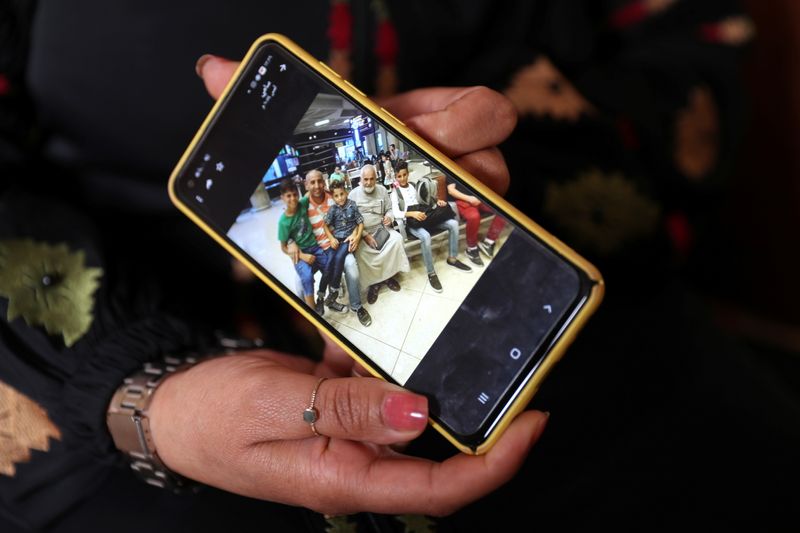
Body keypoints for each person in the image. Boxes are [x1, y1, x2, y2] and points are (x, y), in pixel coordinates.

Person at [1, 2, 797, 532]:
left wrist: (496, 173)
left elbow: (692, 47)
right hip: (139, 389)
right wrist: (141, 395)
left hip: (563, 317)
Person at [300, 169, 372, 326]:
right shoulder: (303, 205)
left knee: (351, 266)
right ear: (306, 185)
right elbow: (292, 229)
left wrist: (358, 235)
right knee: (299, 281)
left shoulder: (332, 198)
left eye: (320, 181)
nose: (317, 186)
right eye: (312, 182)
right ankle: (315, 310)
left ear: (324, 183)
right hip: (317, 249)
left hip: (340, 243)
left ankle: (356, 306)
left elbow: (354, 220)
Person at [391, 161, 472, 292]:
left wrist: (436, 202)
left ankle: (452, 258)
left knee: (453, 224)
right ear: (395, 177)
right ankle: (431, 273)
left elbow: (426, 201)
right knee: (426, 236)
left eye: (404, 175)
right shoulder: (395, 193)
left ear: (408, 174)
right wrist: (413, 213)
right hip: (413, 223)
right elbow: (396, 213)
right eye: (399, 176)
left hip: (427, 218)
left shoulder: (414, 186)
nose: (402, 178)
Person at [348, 164, 410, 304]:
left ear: (376, 178)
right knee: (360, 252)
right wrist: (364, 235)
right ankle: (374, 284)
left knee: (397, 240)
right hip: (362, 233)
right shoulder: (353, 195)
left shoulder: (382, 190)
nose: (368, 183)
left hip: (382, 229)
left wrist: (389, 217)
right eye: (365, 179)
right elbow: (351, 221)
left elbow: (389, 209)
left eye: (372, 179)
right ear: (361, 179)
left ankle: (388, 277)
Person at [276, 179, 333, 315]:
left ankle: (327, 298)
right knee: (306, 277)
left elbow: (314, 190)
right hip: (300, 254)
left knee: (330, 266)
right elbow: (283, 247)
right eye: (288, 196)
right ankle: (312, 313)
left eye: (295, 194)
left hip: (315, 247)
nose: (293, 198)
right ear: (282, 198)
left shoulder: (303, 203)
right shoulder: (283, 222)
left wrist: (328, 189)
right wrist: (302, 256)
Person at [321, 180, 368, 324]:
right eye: (336, 196)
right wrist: (331, 238)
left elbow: (360, 222)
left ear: (346, 192)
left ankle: (335, 291)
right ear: (333, 197)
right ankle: (327, 292)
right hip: (338, 241)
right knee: (334, 261)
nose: (340, 198)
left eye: (342, 194)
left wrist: (358, 236)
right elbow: (325, 225)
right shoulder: (333, 209)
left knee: (340, 256)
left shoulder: (352, 205)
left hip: (350, 240)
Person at [446, 181, 507, 267]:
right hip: (463, 200)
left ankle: (489, 242)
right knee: (474, 217)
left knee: (504, 211)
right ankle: (471, 249)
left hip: (480, 198)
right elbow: (451, 190)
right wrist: (470, 198)